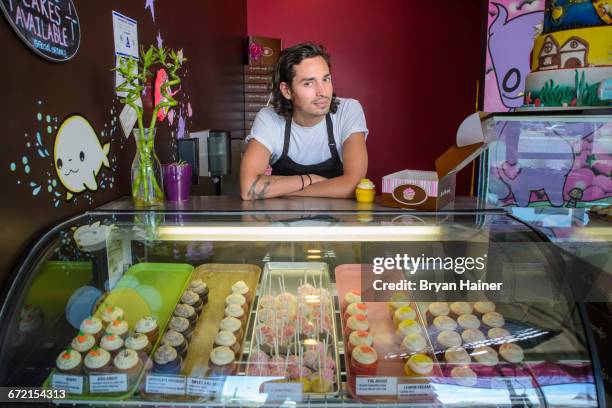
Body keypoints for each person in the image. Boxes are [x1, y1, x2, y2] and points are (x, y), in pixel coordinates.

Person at [240, 42, 368, 200]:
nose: (322, 92)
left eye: (326, 80)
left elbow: (354, 185)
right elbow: (249, 188)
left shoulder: (348, 110)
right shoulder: (269, 118)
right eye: (308, 83)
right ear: (287, 90)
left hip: (337, 221)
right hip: (282, 221)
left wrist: (283, 190)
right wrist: (309, 179)